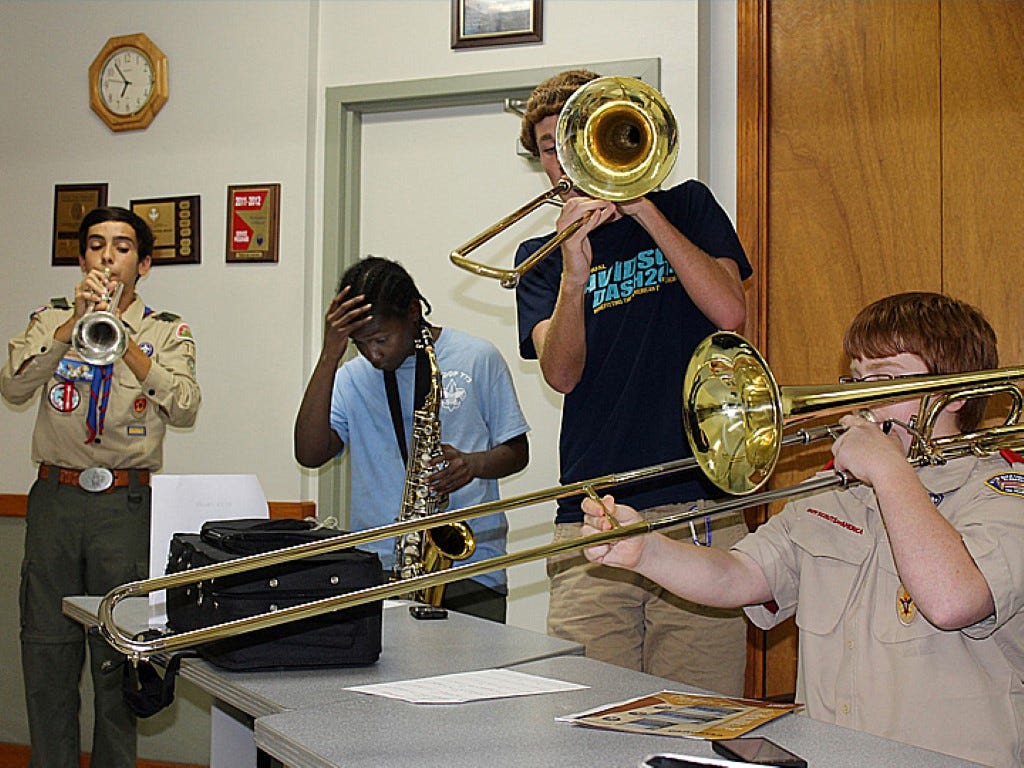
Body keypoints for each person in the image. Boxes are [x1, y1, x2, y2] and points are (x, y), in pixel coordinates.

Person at [581, 292, 1024, 767]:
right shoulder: (830, 491)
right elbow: (736, 575)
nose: (863, 397)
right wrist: (645, 550)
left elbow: (954, 600)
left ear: (957, 392)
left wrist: (892, 473)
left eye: (888, 378)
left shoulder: (1003, 491)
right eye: (856, 379)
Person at [513, 69, 753, 694]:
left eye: (574, 137)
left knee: (703, 717)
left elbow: (730, 312)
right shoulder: (538, 255)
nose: (563, 158)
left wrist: (643, 206)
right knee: (587, 719)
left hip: (699, 500)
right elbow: (561, 374)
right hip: (594, 512)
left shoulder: (688, 204)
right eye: (546, 147)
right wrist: (573, 274)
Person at [0, 206, 201, 768]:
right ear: (81, 257)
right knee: (47, 652)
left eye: (121, 247)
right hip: (56, 500)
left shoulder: (166, 329)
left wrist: (125, 340)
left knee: (119, 656)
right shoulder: (51, 319)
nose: (107, 257)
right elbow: (13, 386)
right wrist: (72, 329)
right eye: (95, 246)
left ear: (144, 264)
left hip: (126, 504)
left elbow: (184, 406)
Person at [294, 255, 529, 623]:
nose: (373, 353)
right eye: (360, 344)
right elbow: (309, 454)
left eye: (381, 339)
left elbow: (517, 451)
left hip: (471, 568)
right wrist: (330, 355)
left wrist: (473, 464)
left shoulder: (476, 357)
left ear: (414, 311)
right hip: (380, 569)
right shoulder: (352, 377)